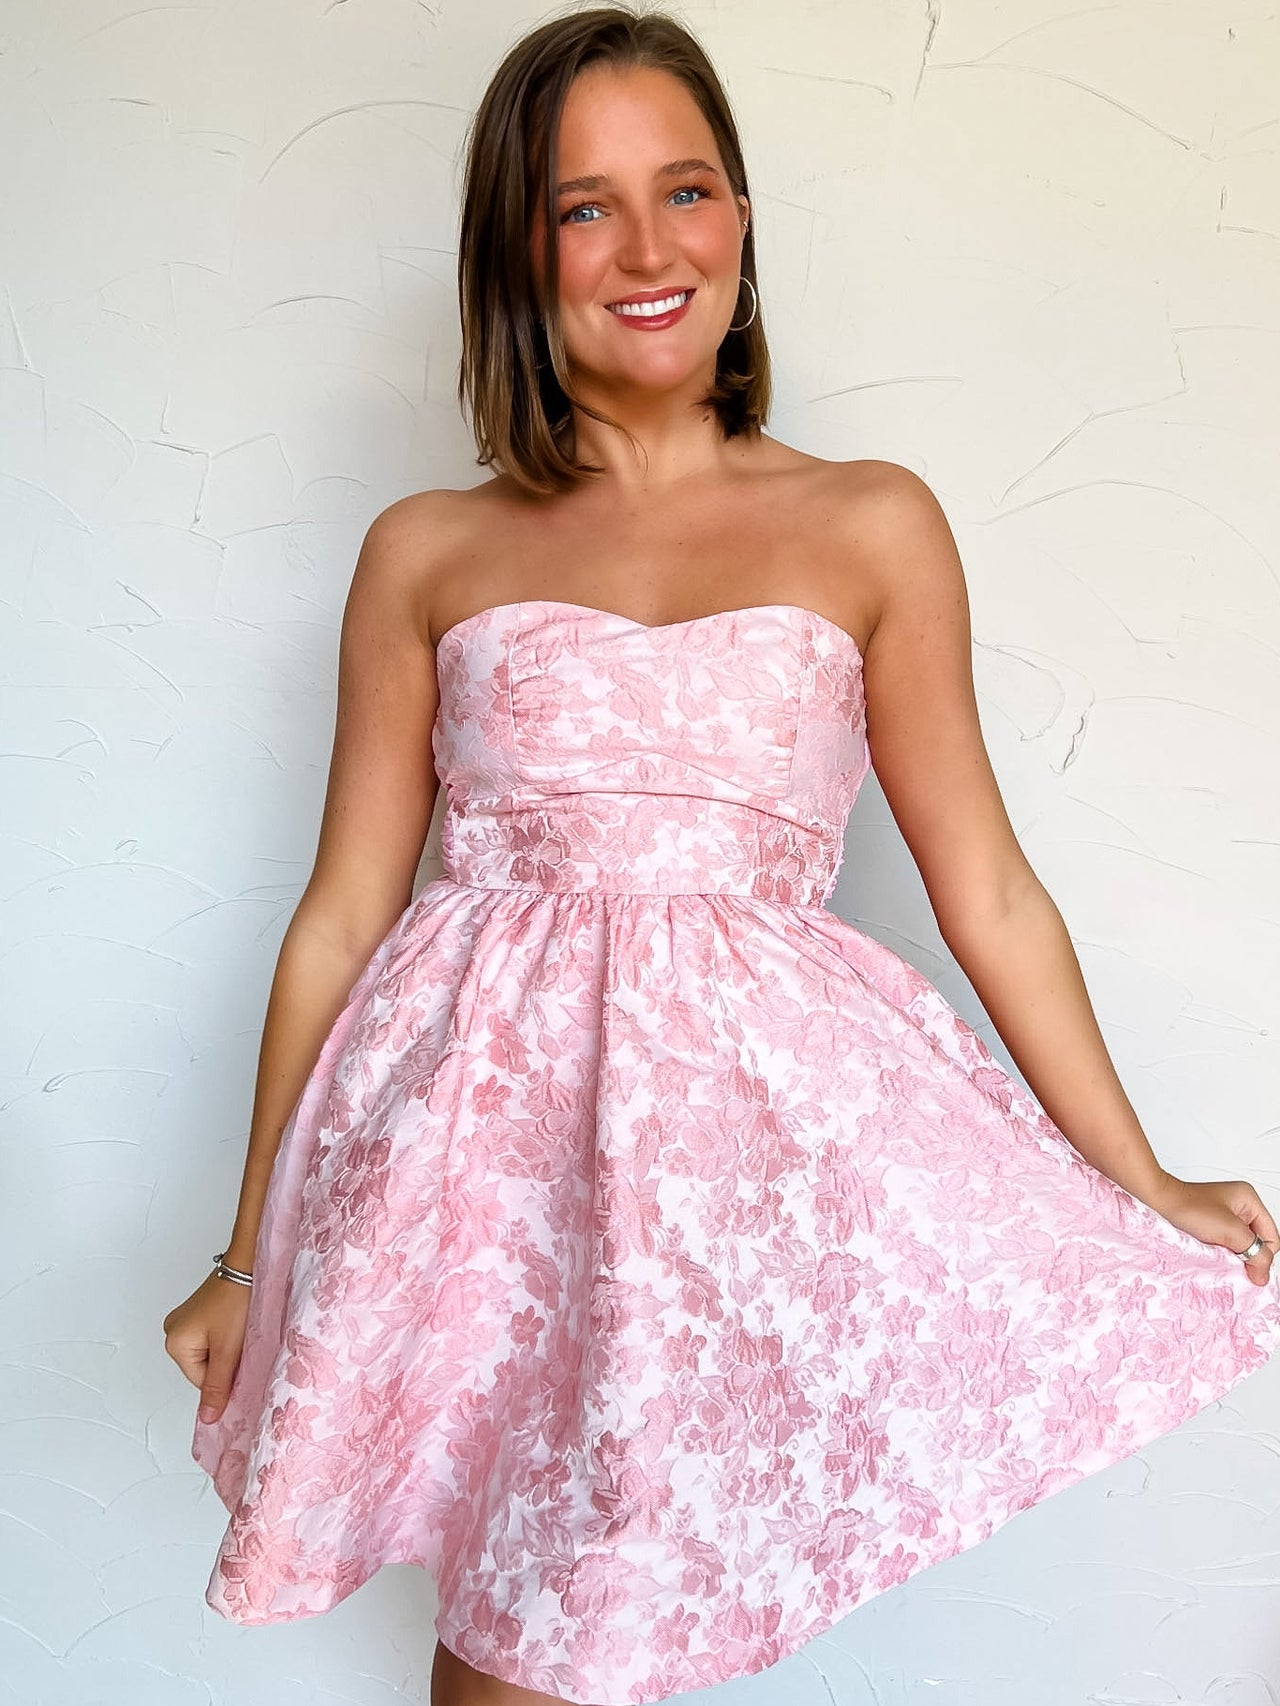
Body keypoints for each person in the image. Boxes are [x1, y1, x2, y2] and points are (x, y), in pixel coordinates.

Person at [162, 7, 1280, 1705]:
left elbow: (988, 892)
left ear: (742, 221)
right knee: (518, 1652)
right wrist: (251, 1253)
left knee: (619, 1631)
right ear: (516, 253)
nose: (647, 248)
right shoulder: (426, 553)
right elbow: (339, 920)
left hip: (739, 1185)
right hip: (486, 1194)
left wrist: (1135, 1176)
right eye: (583, 207)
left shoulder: (873, 522)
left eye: (686, 189)